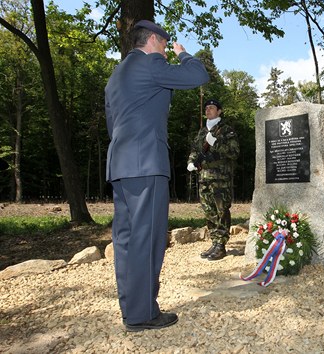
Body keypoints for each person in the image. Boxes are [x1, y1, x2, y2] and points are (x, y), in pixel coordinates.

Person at [105, 19, 209, 332]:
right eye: (164, 44)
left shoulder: (116, 75)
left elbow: (114, 124)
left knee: (126, 241)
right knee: (147, 240)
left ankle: (133, 309)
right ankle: (142, 315)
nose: (165, 50)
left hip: (122, 165)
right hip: (146, 164)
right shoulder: (150, 63)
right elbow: (198, 74)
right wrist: (184, 54)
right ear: (152, 40)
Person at [187, 99, 239, 261]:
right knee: (209, 211)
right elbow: (195, 150)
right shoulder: (202, 132)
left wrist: (215, 143)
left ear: (219, 111)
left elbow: (234, 152)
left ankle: (221, 245)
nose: (208, 110)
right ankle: (215, 241)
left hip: (220, 178)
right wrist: (191, 162)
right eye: (207, 108)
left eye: (212, 107)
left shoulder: (226, 130)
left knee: (221, 210)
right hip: (204, 177)